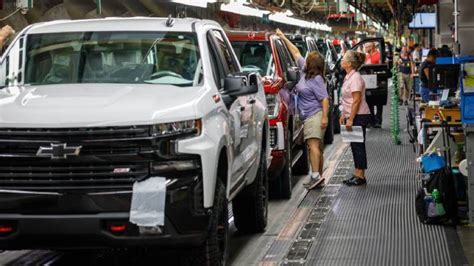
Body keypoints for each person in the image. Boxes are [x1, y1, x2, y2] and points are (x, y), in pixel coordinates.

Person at [276, 29, 329, 190]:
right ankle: (318, 177)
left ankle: (315, 176)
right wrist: (283, 37)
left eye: (307, 59)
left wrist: (325, 117)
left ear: (312, 64)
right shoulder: (305, 72)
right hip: (309, 116)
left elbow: (325, 99)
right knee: (316, 147)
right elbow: (296, 52)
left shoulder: (316, 79)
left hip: (315, 115)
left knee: (313, 146)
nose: (304, 60)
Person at [339, 50, 371, 186]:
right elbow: (347, 100)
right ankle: (357, 173)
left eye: (343, 59)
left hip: (359, 115)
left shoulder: (356, 78)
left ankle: (361, 176)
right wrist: (343, 115)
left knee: (358, 145)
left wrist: (351, 119)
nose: (341, 61)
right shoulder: (349, 77)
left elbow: (356, 100)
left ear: (349, 64)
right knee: (354, 144)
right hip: (352, 114)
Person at [364, 42, 383, 128]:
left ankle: (378, 121)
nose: (367, 48)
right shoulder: (366, 56)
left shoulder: (378, 55)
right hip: (367, 81)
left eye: (368, 46)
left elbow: (381, 66)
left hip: (377, 80)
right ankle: (371, 121)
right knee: (369, 102)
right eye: (366, 47)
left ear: (373, 47)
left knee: (379, 101)